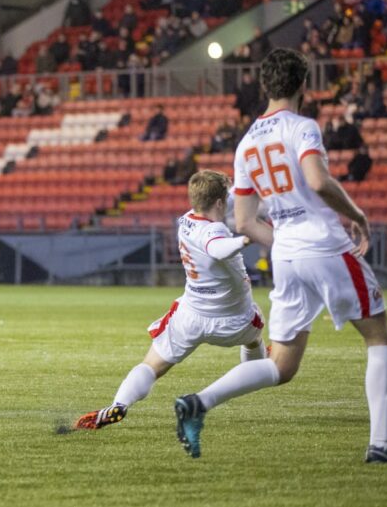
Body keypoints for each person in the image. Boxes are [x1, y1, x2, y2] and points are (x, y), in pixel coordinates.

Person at [173, 49, 387, 464]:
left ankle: (198, 402)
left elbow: (244, 221)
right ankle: (381, 446)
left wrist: (286, 242)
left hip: (285, 254)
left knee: (282, 365)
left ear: (264, 86)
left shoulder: (246, 143)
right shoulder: (302, 127)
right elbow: (316, 180)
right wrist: (356, 215)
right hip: (324, 244)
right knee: (380, 335)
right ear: (302, 86)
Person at [74, 170, 267, 430]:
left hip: (189, 316)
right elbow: (217, 247)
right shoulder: (215, 231)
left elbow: (230, 201)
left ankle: (119, 404)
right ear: (219, 203)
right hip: (232, 321)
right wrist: (246, 238)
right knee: (255, 337)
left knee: (152, 365)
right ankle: (252, 380)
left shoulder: (186, 220)